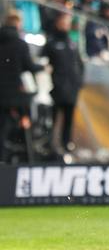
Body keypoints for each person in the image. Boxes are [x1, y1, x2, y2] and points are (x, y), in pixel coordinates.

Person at [0, 11, 42, 163]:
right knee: (20, 123)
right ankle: (21, 158)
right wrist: (43, 67)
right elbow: (29, 66)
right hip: (14, 93)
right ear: (18, 24)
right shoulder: (20, 44)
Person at [41, 14, 84, 156]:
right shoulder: (51, 43)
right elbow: (43, 63)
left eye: (67, 22)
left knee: (69, 118)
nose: (65, 25)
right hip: (55, 88)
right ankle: (49, 145)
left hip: (71, 88)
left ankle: (66, 145)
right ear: (57, 23)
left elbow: (80, 64)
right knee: (51, 118)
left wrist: (78, 82)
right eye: (63, 22)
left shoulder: (72, 43)